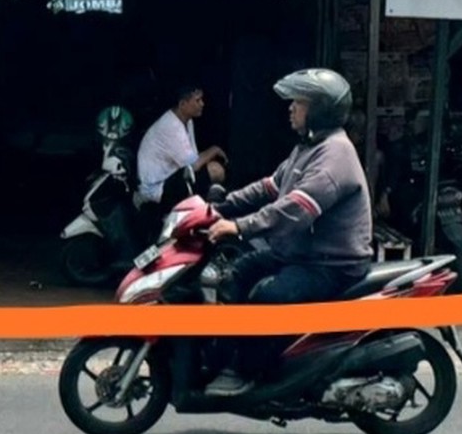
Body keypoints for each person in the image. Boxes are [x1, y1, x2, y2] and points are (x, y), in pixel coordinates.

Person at [200, 68, 375, 398]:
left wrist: (239, 226)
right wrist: (217, 209)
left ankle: (252, 372)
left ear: (320, 110)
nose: (291, 108)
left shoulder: (335, 154)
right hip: (296, 254)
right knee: (235, 275)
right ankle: (222, 359)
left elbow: (295, 209)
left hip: (330, 266)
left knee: (268, 298)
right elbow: (269, 188)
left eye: (299, 102)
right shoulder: (307, 148)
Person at [136, 85, 227, 213]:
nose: (202, 104)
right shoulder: (171, 126)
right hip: (156, 190)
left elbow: (193, 157)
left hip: (172, 176)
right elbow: (193, 165)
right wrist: (214, 149)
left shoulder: (188, 122)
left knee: (212, 171)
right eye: (197, 101)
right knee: (215, 171)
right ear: (183, 104)